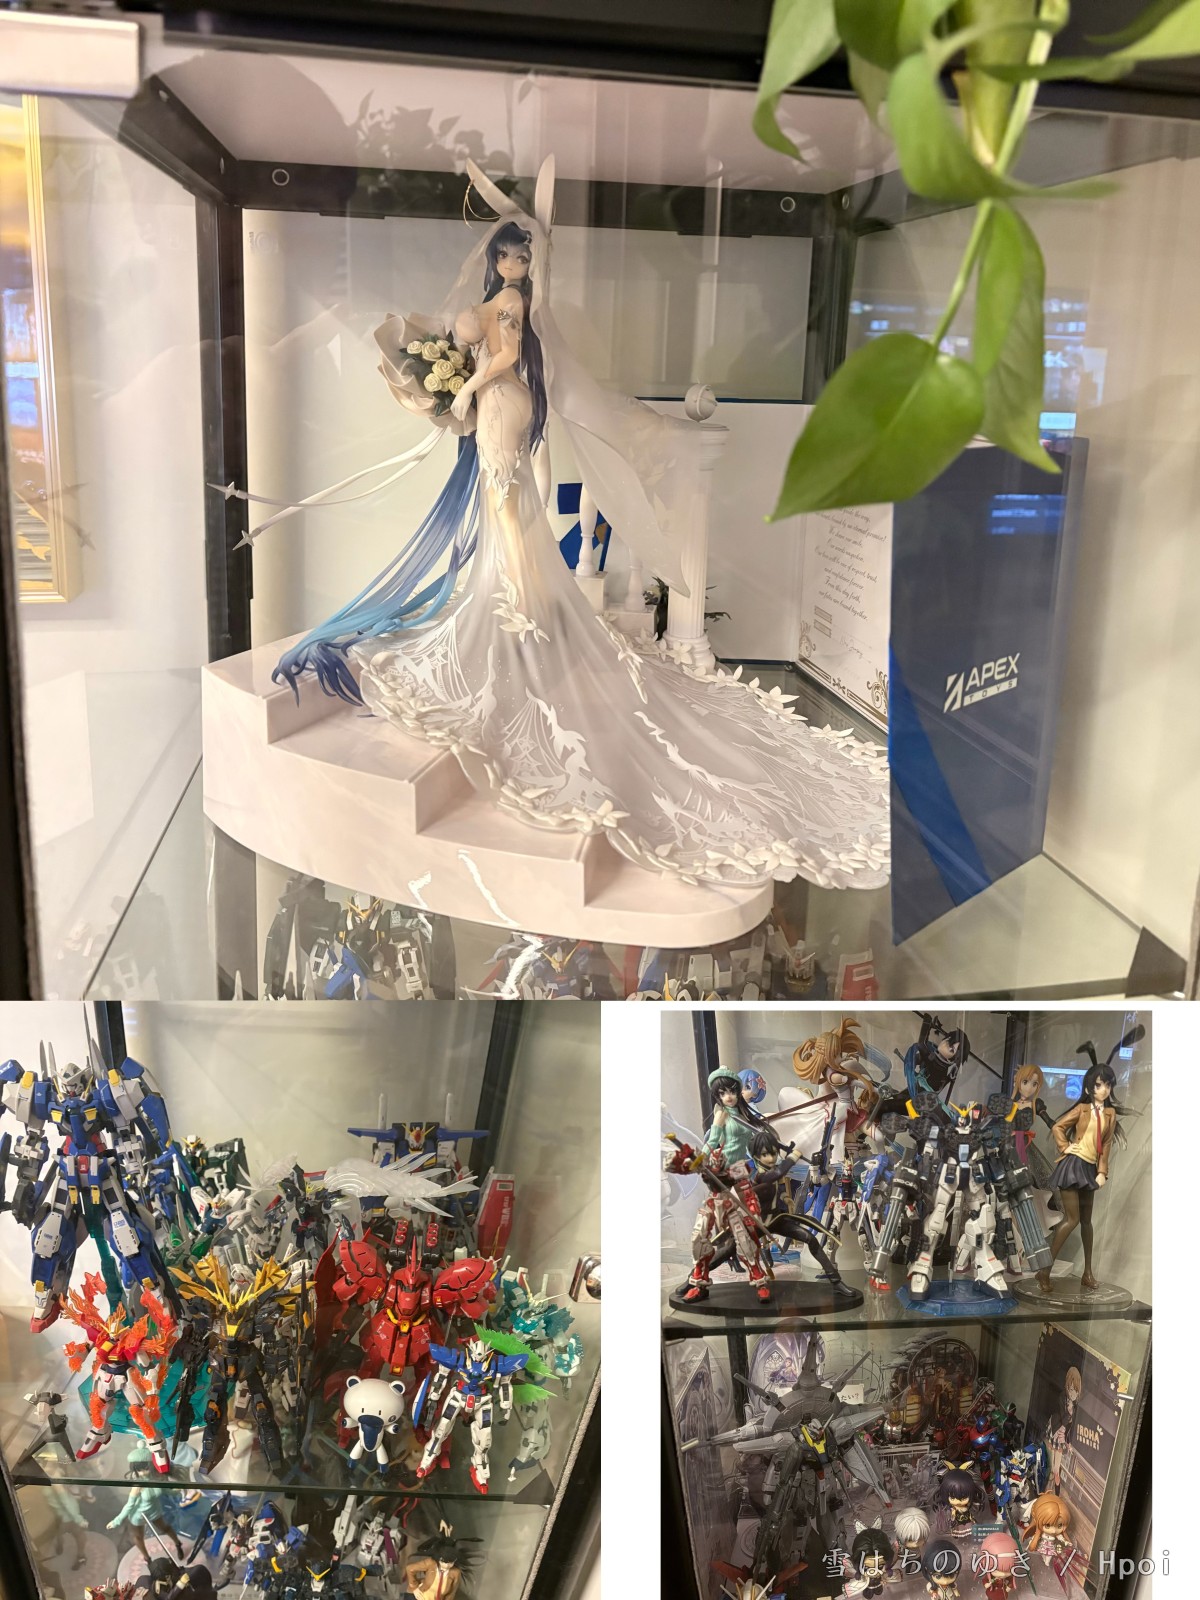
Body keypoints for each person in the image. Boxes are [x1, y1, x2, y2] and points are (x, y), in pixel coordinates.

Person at [268, 159, 888, 894]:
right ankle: (519, 606)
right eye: (509, 254)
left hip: (502, 405)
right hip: (502, 407)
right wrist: (454, 383)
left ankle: (519, 613)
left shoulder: (509, 305)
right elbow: (495, 352)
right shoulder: (505, 301)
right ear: (497, 256)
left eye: (522, 256)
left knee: (506, 505)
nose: (514, 265)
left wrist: (466, 387)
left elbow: (504, 356)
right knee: (506, 509)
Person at [1038, 1062, 1119, 1291]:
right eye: (1099, 1085)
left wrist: (1102, 1171)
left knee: (1086, 1222)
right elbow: (1058, 1127)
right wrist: (1065, 1147)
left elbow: (1107, 1144)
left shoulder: (1110, 1114)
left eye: (1108, 1085)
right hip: (1073, 1166)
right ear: (1088, 1088)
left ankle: (1088, 1273)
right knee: (1071, 1220)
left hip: (1090, 1169)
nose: (1104, 1090)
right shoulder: (1082, 1109)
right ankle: (1044, 1270)